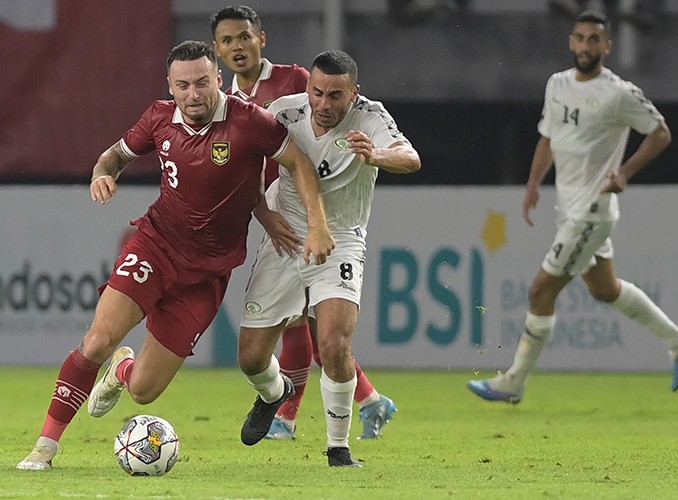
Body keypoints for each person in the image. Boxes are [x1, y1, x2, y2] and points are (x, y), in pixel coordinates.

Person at [16, 40, 334, 471]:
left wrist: (315, 224)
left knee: (144, 391)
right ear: (170, 86)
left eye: (202, 82)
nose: (193, 93)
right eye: (182, 85)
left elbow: (297, 163)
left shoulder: (250, 122)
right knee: (97, 340)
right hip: (156, 245)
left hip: (206, 275)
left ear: (217, 80)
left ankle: (124, 370)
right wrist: (102, 175)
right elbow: (113, 157)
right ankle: (44, 449)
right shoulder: (158, 117)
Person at [467, 11, 678, 404]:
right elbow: (548, 138)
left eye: (595, 39)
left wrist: (623, 173)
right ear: (571, 42)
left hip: (592, 212)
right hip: (568, 207)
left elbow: (660, 133)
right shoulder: (556, 84)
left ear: (607, 46)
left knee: (541, 290)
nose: (586, 46)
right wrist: (533, 184)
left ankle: (514, 381)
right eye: (580, 38)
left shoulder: (619, 93)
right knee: (605, 290)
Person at [210, 5, 398, 441]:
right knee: (293, 328)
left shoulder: (296, 82)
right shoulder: (228, 98)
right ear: (218, 51)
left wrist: (376, 155)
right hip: (279, 215)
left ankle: (294, 417)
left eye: (245, 37)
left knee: (317, 328)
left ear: (263, 39)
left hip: (328, 221)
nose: (237, 46)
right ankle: (365, 399)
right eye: (227, 41)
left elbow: (324, 135)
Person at [237, 49, 420, 467]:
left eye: (335, 96)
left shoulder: (371, 117)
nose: (323, 104)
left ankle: (338, 448)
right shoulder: (283, 112)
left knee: (334, 344)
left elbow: (410, 158)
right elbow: (242, 159)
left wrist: (376, 156)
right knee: (250, 358)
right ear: (307, 87)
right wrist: (263, 213)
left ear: (354, 93)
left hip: (341, 240)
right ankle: (276, 393)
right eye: (316, 92)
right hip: (285, 239)